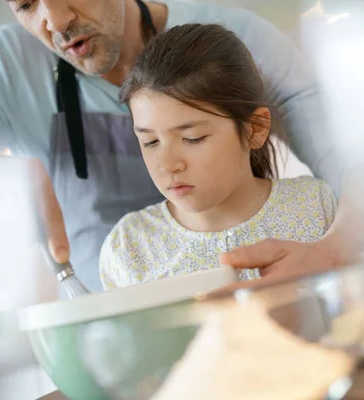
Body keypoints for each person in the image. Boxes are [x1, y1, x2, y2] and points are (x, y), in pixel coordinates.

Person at [0, 0, 364, 291]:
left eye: (193, 135)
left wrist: (331, 251)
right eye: (26, 3)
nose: (54, 21)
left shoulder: (234, 39)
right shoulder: (3, 69)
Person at [99, 24, 337, 289]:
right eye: (150, 141)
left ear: (255, 128)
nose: (168, 165)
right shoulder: (128, 248)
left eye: (193, 138)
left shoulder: (321, 208)